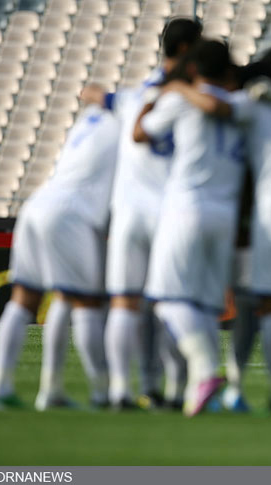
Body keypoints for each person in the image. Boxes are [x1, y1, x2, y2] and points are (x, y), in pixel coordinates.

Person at [160, 54, 271, 412]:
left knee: (262, 306)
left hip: (257, 218)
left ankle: (238, 387)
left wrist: (179, 87)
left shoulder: (248, 107)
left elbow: (212, 107)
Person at [80, 18, 202, 409]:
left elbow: (99, 97)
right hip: (168, 213)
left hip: (129, 213)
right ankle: (175, 389)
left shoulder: (135, 95)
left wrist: (97, 94)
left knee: (125, 304)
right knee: (173, 303)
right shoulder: (190, 98)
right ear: (186, 50)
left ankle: (120, 390)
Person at [134, 40, 245, 415]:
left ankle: (204, 371)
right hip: (225, 213)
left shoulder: (181, 99)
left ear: (194, 69)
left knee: (166, 300)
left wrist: (161, 93)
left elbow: (140, 133)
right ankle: (203, 390)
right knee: (205, 304)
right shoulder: (241, 105)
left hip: (187, 207)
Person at [0, 106, 120, 411]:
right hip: (73, 214)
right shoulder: (130, 121)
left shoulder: (92, 119)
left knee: (25, 300)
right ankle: (103, 393)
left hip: (38, 204)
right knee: (87, 303)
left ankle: (7, 389)